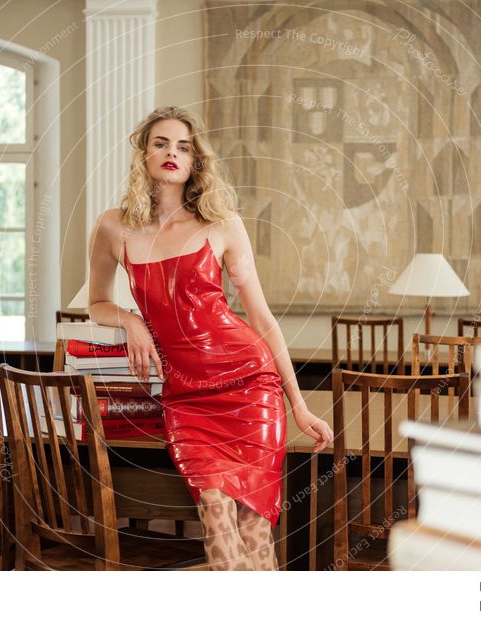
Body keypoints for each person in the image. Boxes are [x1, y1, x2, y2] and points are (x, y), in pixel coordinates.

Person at [88, 106, 333, 570]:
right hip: (186, 399)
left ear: (195, 161)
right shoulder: (112, 226)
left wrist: (297, 404)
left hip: (248, 386)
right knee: (217, 520)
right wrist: (131, 320)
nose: (171, 153)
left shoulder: (221, 224)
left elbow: (261, 317)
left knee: (255, 531)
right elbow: (96, 302)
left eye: (183, 147)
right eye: (160, 143)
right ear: (143, 154)